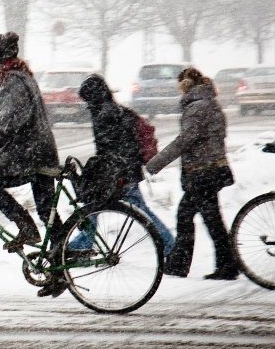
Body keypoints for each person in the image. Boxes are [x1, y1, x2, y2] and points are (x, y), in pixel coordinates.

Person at [0, 32, 63, 296]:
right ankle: (59, 269)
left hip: (28, 151)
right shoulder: (21, 75)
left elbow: (9, 121)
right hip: (40, 149)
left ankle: (26, 228)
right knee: (47, 211)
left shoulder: (12, 81)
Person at [145, 67, 237, 280]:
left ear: (185, 85)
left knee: (187, 216)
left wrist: (155, 163)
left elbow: (185, 141)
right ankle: (226, 264)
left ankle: (180, 265)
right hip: (213, 168)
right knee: (210, 218)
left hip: (202, 171)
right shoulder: (211, 103)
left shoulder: (196, 108)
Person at [69, 73, 176, 256]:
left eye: (87, 99)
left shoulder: (105, 115)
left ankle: (170, 246)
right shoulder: (115, 110)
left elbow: (109, 150)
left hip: (119, 173)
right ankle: (169, 245)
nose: (86, 105)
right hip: (126, 170)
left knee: (95, 206)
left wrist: (103, 173)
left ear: (93, 96)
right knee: (139, 212)